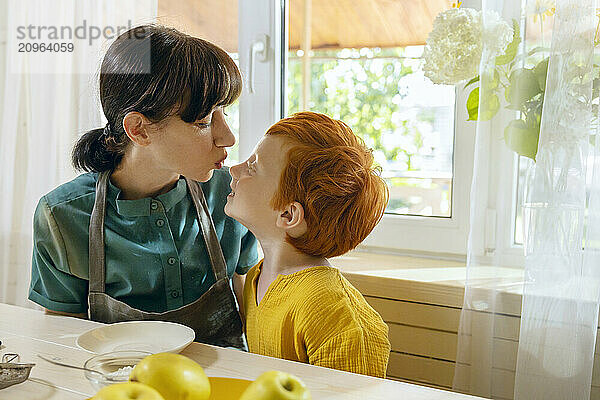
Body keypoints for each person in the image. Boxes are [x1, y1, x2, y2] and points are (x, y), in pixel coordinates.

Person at [28, 25, 258, 349]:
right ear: (139, 129)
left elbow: (260, 326)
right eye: (204, 121)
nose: (228, 137)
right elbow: (62, 347)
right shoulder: (63, 218)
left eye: (224, 114)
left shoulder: (232, 197)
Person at [225, 111, 391, 377]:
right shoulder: (258, 276)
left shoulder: (336, 315)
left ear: (288, 215)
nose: (234, 169)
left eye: (253, 167)